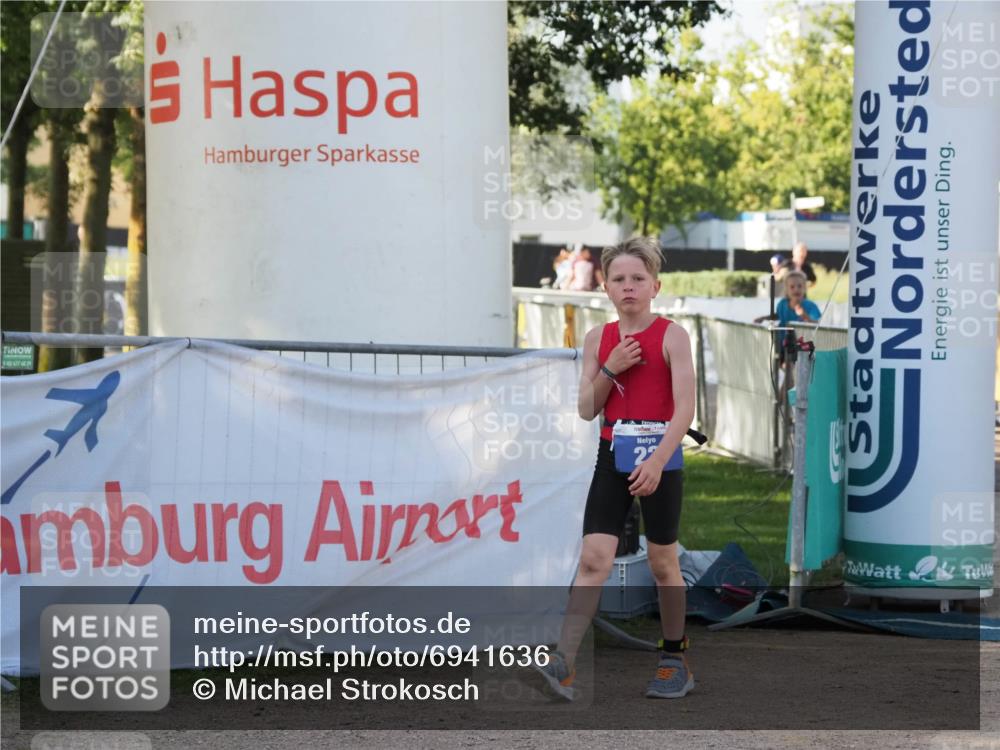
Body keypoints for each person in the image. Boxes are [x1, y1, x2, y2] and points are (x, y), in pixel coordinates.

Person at [528, 236, 696, 700]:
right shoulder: (598, 339)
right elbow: (585, 409)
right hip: (612, 456)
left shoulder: (673, 336)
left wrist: (659, 462)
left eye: (637, 279)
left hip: (660, 456)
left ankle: (674, 659)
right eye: (619, 279)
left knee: (664, 563)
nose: (628, 287)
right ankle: (564, 660)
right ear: (605, 288)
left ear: (655, 286)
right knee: (594, 558)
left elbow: (686, 409)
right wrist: (611, 368)